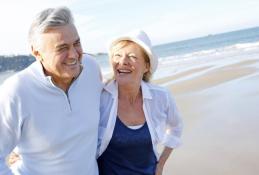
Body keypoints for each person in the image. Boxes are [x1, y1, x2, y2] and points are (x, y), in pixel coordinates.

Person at [0, 7, 103, 175]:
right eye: (62, 48)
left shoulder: (91, 68)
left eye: (76, 43)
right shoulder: (16, 91)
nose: (74, 55)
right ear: (37, 52)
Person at [97, 30, 183, 175]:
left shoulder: (161, 97)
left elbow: (176, 127)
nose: (123, 61)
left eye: (132, 56)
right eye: (117, 55)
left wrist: (161, 164)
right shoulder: (100, 96)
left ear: (146, 66)